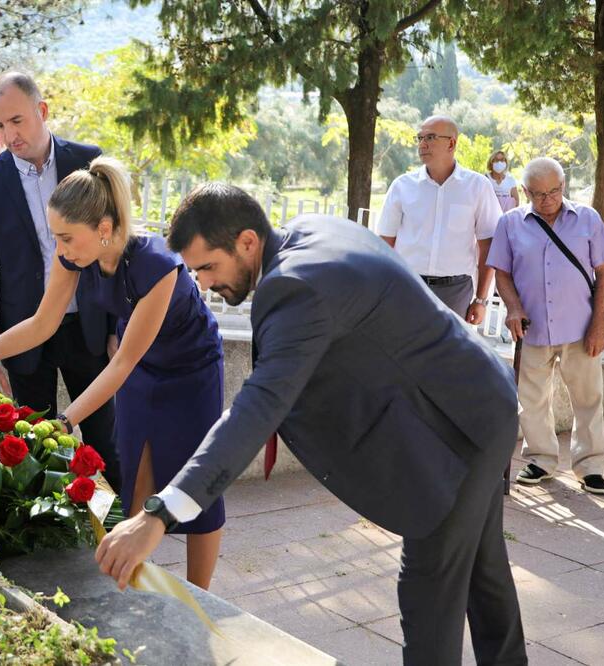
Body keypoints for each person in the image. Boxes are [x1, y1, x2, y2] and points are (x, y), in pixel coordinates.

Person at [95, 184, 527, 666]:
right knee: (483, 571)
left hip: (458, 430)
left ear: (247, 242)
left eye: (207, 267)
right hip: (476, 402)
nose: (201, 282)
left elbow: (256, 409)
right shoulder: (309, 233)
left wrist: (159, 514)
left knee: (431, 590)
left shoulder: (295, 286)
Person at [0, 157, 225, 588]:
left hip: (191, 370)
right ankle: (131, 585)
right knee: (136, 479)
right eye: (57, 237)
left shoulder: (157, 264)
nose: (61, 248)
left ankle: (202, 596)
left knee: (196, 483)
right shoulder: (74, 256)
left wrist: (65, 419)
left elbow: (121, 362)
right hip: (142, 367)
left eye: (67, 237)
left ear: (104, 229)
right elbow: (42, 323)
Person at [0, 72, 120, 491]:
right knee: (34, 447)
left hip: (89, 328)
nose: (8, 134)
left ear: (41, 111)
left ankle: (127, 532)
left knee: (108, 439)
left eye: (16, 121)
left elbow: (112, 250)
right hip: (25, 333)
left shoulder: (87, 161)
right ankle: (53, 540)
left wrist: (116, 326)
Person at [487, 157, 604, 495]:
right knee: (532, 399)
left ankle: (590, 466)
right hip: (532, 328)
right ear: (526, 191)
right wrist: (513, 307)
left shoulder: (587, 219)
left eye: (554, 192)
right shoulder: (510, 223)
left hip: (580, 326)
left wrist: (598, 325)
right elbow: (502, 272)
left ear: (563, 186)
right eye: (539, 194)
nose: (548, 200)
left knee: (588, 398)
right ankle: (542, 459)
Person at [377, 115, 503, 325]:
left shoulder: (478, 187)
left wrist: (481, 300)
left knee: (448, 357)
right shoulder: (402, 186)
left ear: (451, 143)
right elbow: (384, 244)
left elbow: (488, 246)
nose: (422, 144)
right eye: (420, 138)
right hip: (408, 286)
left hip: (456, 292)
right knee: (403, 354)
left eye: (431, 137)